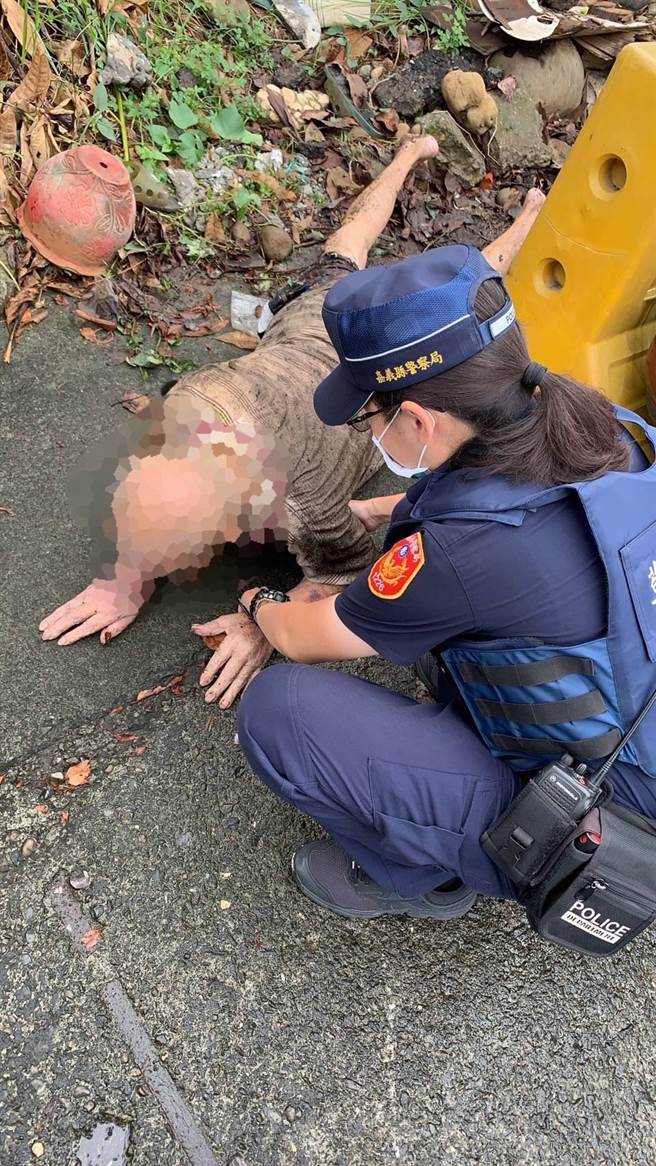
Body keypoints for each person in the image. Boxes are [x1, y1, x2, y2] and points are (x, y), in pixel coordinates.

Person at [39, 137, 544, 709]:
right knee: (344, 252)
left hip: (342, 361)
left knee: (474, 287)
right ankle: (407, 154)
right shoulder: (186, 404)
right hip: (307, 331)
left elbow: (344, 569)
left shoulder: (303, 502)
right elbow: (151, 500)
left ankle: (530, 213)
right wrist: (123, 585)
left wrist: (262, 618)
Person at [234, 243, 656, 922]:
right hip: (635, 711)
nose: (370, 432)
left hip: (605, 814)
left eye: (371, 418)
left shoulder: (462, 557)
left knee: (282, 713)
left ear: (419, 420)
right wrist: (390, 512)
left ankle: (421, 874)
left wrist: (258, 603)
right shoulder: (600, 421)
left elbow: (307, 638)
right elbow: (479, 503)